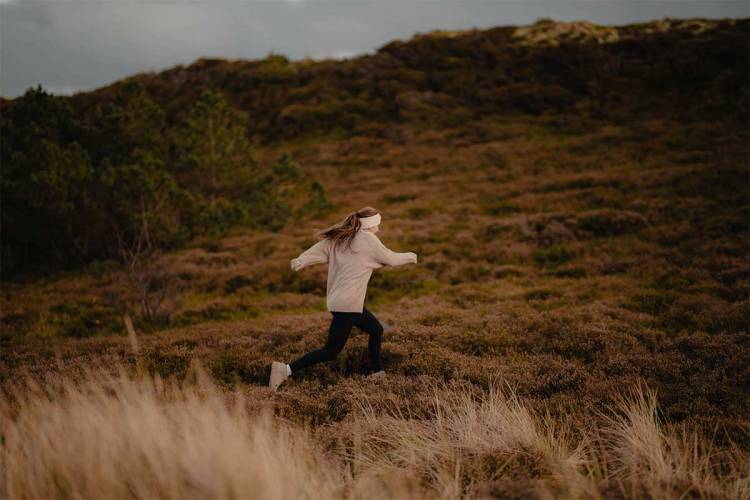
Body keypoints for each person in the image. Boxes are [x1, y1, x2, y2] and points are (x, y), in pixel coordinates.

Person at [268, 206, 418, 391]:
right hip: (348, 304)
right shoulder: (368, 240)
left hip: (345, 302)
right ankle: (285, 370)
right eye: (377, 225)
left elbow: (320, 248)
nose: (378, 229)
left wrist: (301, 260)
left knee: (376, 330)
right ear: (370, 225)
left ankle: (378, 373)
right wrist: (411, 256)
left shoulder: (343, 237)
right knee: (331, 351)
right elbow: (390, 258)